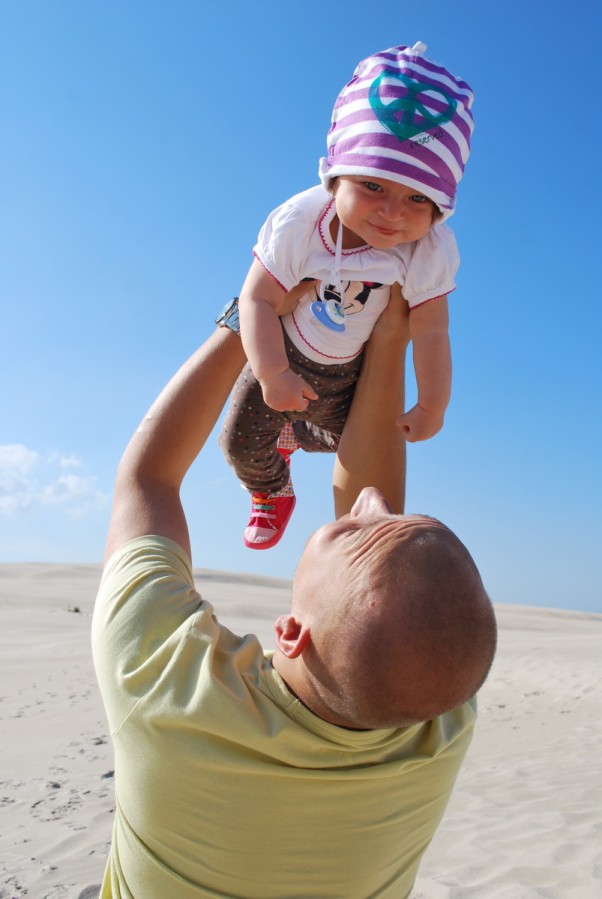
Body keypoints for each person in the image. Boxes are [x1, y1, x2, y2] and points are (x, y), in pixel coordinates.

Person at [92, 299, 497, 898]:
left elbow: (148, 478)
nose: (372, 501)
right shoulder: (433, 723)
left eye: (347, 530)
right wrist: (388, 336)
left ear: (291, 634)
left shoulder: (169, 693)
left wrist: (251, 315)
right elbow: (384, 614)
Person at [219, 41, 475, 549]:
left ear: (441, 206)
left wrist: (433, 406)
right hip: (284, 350)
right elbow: (257, 301)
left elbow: (432, 332)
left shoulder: (427, 250)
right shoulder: (301, 222)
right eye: (373, 185)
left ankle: (292, 437)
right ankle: (271, 489)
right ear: (335, 175)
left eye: (417, 198)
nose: (392, 213)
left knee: (357, 451)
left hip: (350, 376)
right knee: (239, 443)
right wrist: (273, 373)